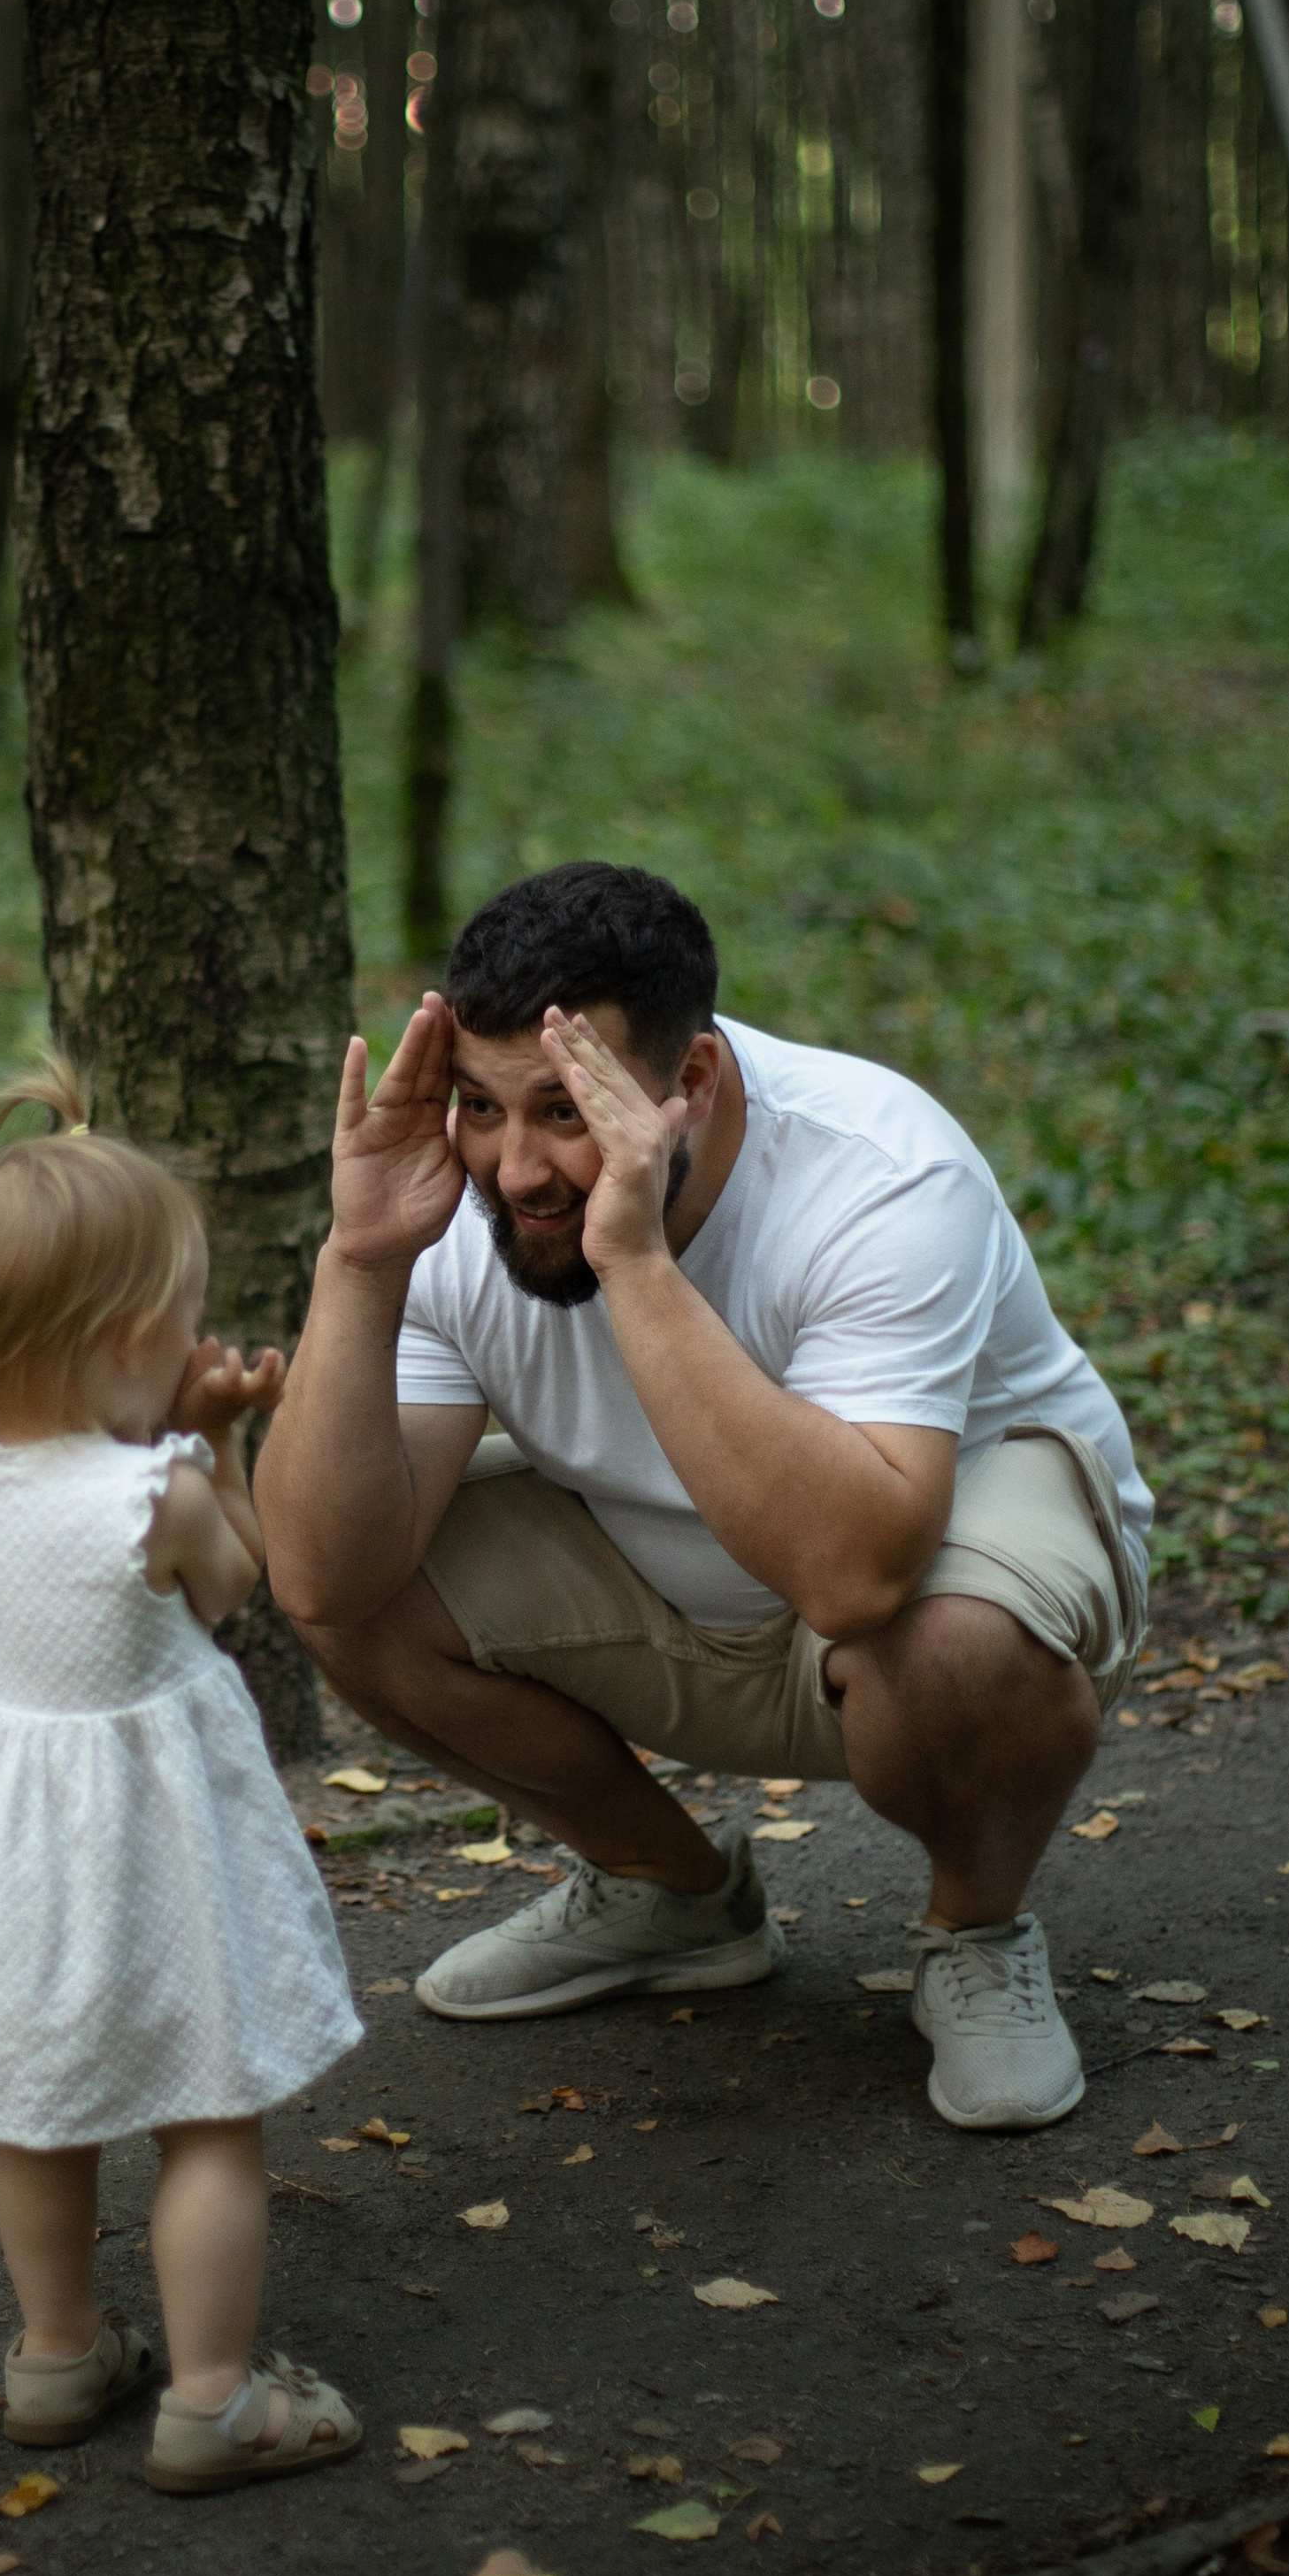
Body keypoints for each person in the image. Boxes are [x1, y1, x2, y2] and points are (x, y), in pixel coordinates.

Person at [258, 864, 1150, 2135]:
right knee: (359, 1590)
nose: (515, 1171)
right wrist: (359, 1263)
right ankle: (671, 1895)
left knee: (954, 1644)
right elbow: (319, 1579)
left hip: (929, 1598)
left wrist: (633, 1256)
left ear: (694, 1085)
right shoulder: (448, 1194)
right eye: (480, 1107)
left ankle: (977, 1928)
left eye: (567, 1112)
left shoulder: (879, 1172)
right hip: (667, 1586)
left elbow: (858, 1577)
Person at [0, 1059, 363, 2492]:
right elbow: (231, 1591)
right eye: (185, 1322)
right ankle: (214, 2399)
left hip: (4, 1847)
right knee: (207, 2107)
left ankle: (57, 2354)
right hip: (156, 1843)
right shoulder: (160, 1493)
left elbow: (45, 1513)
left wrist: (154, 1425)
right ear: (133, 1335)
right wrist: (216, 1438)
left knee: (41, 2106)